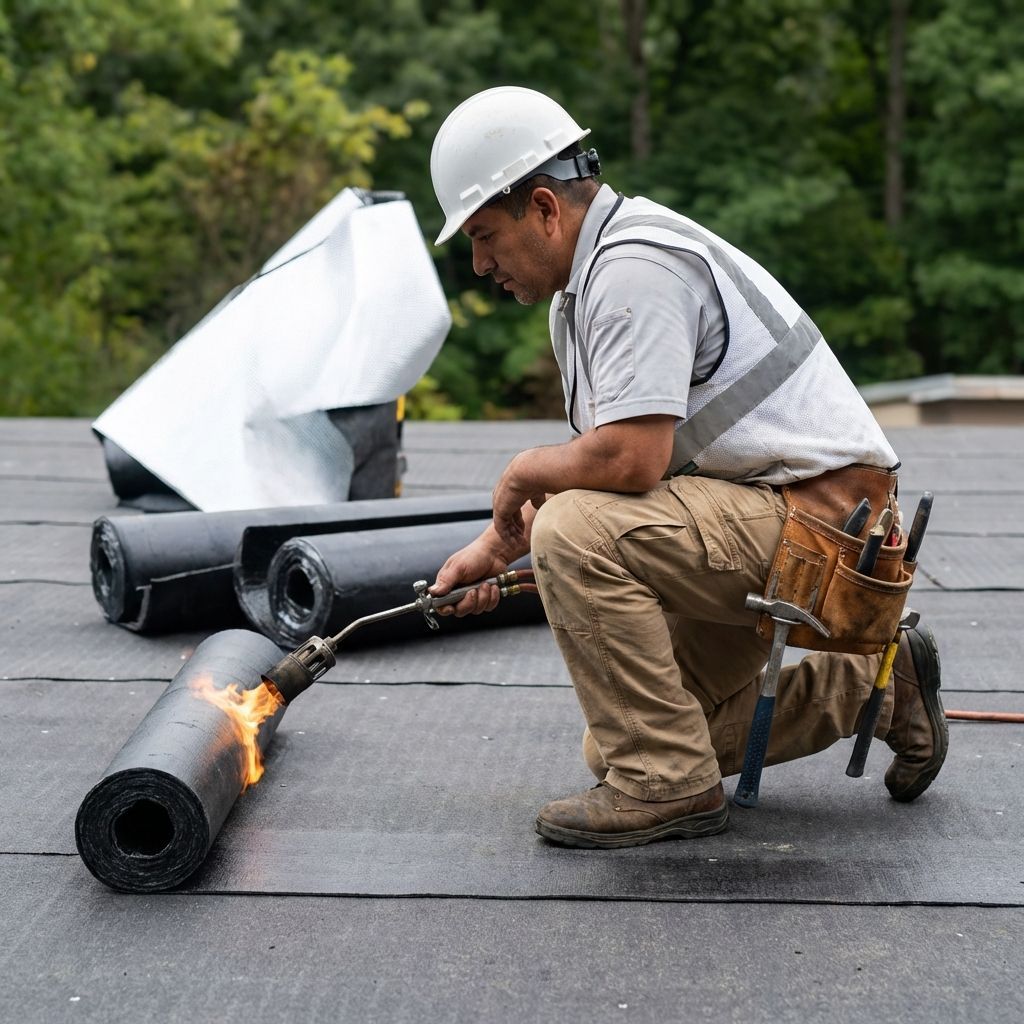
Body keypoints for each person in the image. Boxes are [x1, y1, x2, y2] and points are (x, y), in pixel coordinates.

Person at [427, 86, 948, 849]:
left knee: (573, 535)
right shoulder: (586, 285)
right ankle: (877, 688)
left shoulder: (636, 268)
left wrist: (522, 474)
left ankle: (669, 792)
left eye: (483, 236)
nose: (478, 264)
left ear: (543, 208)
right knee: (623, 740)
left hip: (827, 528)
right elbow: (621, 472)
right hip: (776, 517)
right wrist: (498, 549)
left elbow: (630, 462)